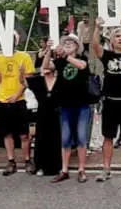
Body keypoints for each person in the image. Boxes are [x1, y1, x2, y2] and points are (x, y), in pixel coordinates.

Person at [91, 16, 121, 182]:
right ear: (111, 41)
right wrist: (97, 27)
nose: (120, 38)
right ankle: (106, 169)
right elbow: (95, 45)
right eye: (117, 36)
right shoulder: (107, 56)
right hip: (110, 101)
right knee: (108, 137)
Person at [44, 34, 89, 183]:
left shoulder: (83, 59)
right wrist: (49, 50)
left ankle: (81, 170)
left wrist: (65, 56)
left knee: (82, 138)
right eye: (65, 42)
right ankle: (64, 170)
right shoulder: (59, 61)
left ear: (77, 46)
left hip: (82, 105)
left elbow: (81, 66)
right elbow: (46, 67)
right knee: (65, 139)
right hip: (65, 105)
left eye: (72, 42)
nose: (68, 44)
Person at [0, 32, 35, 176]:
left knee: (24, 134)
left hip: (19, 100)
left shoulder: (24, 57)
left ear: (16, 42)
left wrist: (17, 95)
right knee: (7, 134)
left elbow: (28, 80)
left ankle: (28, 160)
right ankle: (11, 161)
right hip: (2, 99)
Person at [32, 55, 62, 178]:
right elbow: (23, 81)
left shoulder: (60, 80)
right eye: (46, 63)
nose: (48, 65)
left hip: (56, 114)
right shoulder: (38, 81)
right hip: (42, 114)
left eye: (51, 63)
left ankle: (57, 167)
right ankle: (40, 166)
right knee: (41, 139)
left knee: (56, 139)